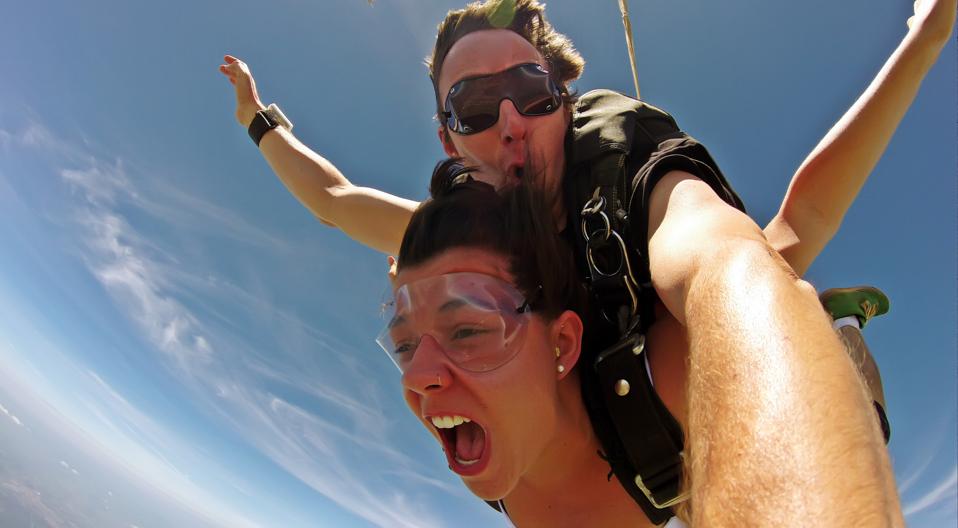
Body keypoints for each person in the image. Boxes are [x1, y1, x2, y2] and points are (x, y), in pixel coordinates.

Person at [384, 177, 900, 526]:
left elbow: (799, 222)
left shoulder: (667, 375)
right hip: (661, 490)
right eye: (405, 344)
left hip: (675, 445)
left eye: (467, 333)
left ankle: (844, 323)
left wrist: (921, 52)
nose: (417, 376)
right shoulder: (489, 441)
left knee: (846, 403)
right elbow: (343, 204)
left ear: (562, 342)